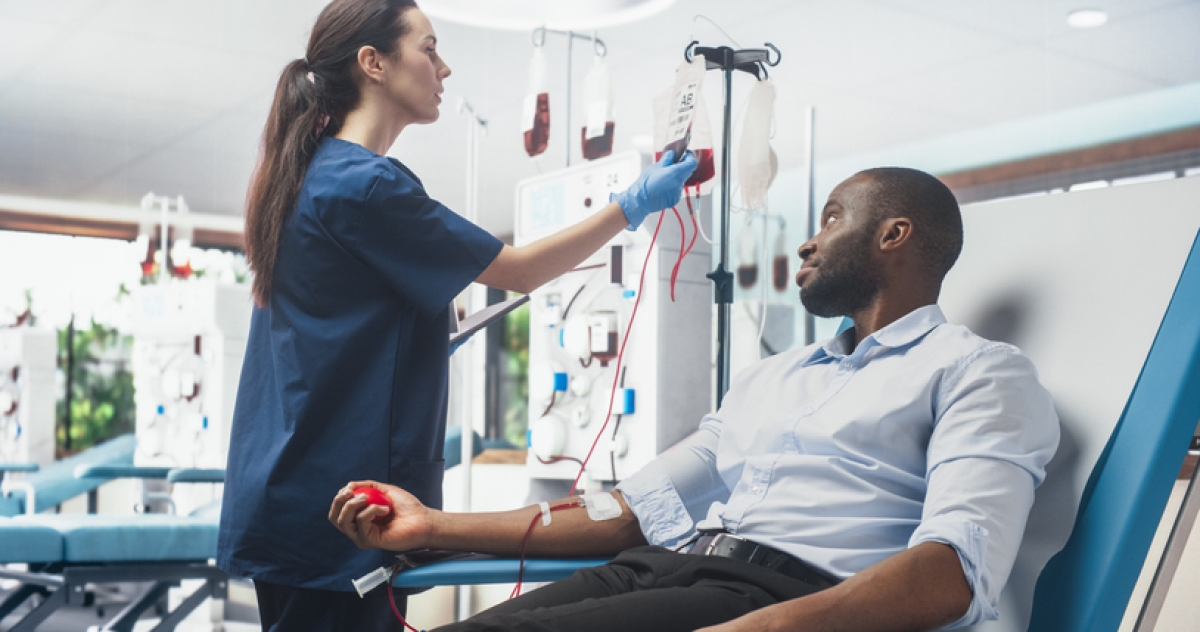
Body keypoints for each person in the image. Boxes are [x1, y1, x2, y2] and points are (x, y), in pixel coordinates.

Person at [330, 167, 1062, 632]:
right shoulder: (774, 378)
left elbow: (952, 575)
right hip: (669, 570)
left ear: (895, 235)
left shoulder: (979, 373)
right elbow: (628, 513)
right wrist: (433, 526)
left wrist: (769, 628)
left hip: (780, 598)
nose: (807, 244)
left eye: (833, 218)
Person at [215, 0, 698, 629]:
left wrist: (416, 345)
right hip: (342, 505)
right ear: (374, 64)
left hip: (292, 488)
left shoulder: (311, 175)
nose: (445, 68)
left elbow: (324, 335)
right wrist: (629, 207)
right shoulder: (367, 185)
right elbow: (519, 269)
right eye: (429, 48)